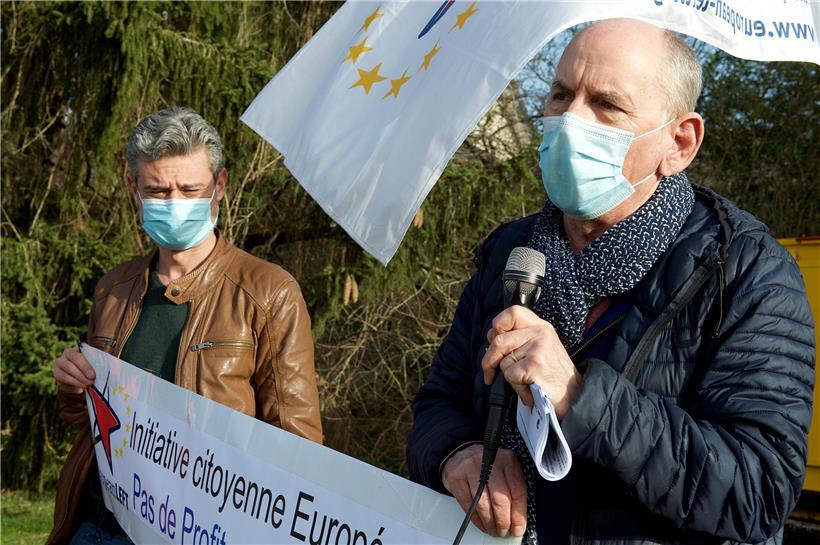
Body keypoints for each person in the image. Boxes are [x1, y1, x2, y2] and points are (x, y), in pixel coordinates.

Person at [406, 19, 815, 545]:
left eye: (606, 105)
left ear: (679, 142)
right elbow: (437, 404)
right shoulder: (511, 253)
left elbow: (759, 492)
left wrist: (580, 398)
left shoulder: (747, 272)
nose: (570, 120)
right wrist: (455, 453)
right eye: (560, 95)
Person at [47, 107, 322, 545]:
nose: (175, 204)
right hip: (99, 528)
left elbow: (297, 448)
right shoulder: (113, 288)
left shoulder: (269, 292)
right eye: (157, 191)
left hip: (202, 532)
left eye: (190, 189)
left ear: (220, 187)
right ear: (132, 188)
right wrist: (72, 384)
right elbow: (86, 421)